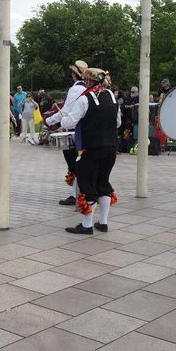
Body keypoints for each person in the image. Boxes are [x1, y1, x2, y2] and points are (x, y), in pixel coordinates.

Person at [60, 68, 121, 234]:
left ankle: (87, 225)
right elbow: (118, 123)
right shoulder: (111, 96)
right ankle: (103, 222)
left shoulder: (84, 99)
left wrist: (62, 117)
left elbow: (69, 122)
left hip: (91, 149)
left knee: (87, 184)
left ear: (87, 81)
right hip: (110, 148)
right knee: (103, 182)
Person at [44, 60, 89, 205]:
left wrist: (49, 121)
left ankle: (76, 195)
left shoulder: (75, 90)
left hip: (76, 131)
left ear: (74, 74)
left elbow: (65, 112)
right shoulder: (92, 89)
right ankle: (87, 193)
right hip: (89, 131)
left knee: (74, 164)